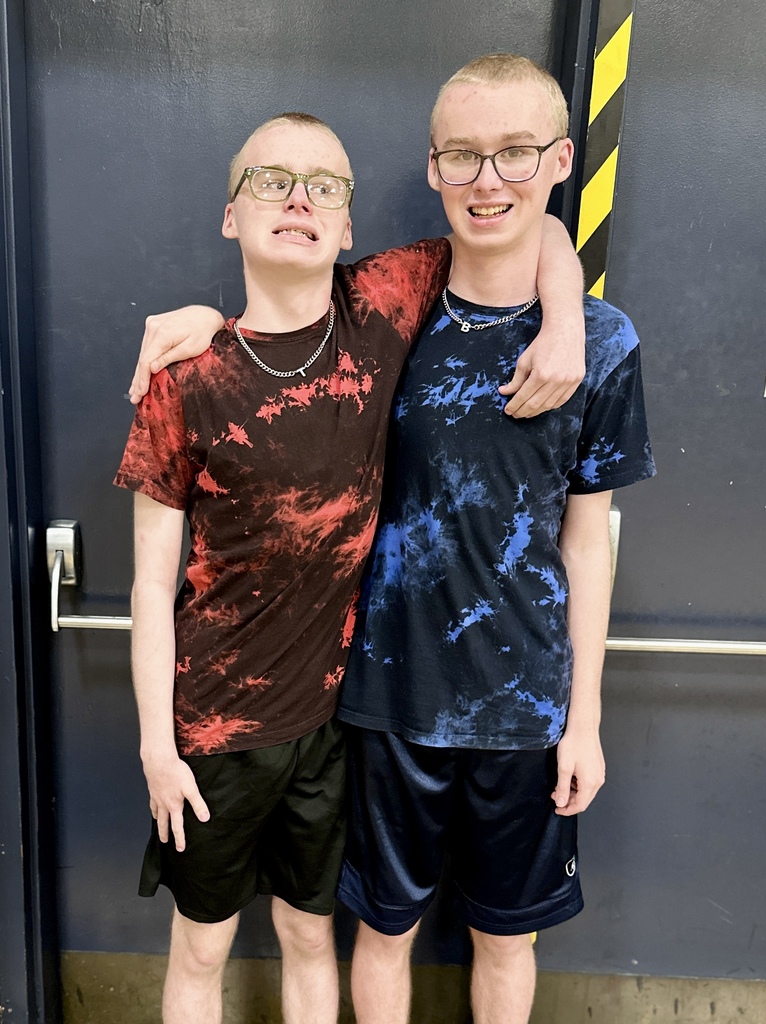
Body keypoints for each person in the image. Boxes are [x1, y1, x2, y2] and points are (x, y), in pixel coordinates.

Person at [117, 107, 585, 1024]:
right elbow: (146, 587)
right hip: (208, 731)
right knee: (203, 945)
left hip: (335, 730)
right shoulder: (184, 377)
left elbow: (533, 219)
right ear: (230, 214)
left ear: (347, 225)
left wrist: (565, 318)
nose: (298, 200)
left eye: (324, 186)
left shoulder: (381, 305)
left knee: (307, 937)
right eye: (271, 181)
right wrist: (155, 749)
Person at [334, 54, 656, 1024]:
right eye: (465, 157)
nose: (488, 181)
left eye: (515, 155)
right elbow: (270, 320)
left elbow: (588, 540)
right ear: (432, 168)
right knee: (380, 929)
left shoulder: (602, 343)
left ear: (559, 158)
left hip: (526, 708)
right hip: (390, 697)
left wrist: (584, 719)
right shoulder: (381, 318)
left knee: (506, 938)